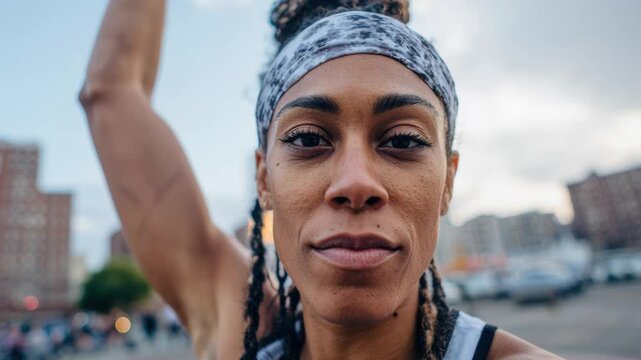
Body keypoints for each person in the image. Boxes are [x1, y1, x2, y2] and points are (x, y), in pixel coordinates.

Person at [79, 0, 561, 359]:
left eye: (405, 141)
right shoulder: (244, 332)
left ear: (448, 183)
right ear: (263, 178)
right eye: (309, 138)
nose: (355, 183)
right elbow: (111, 93)